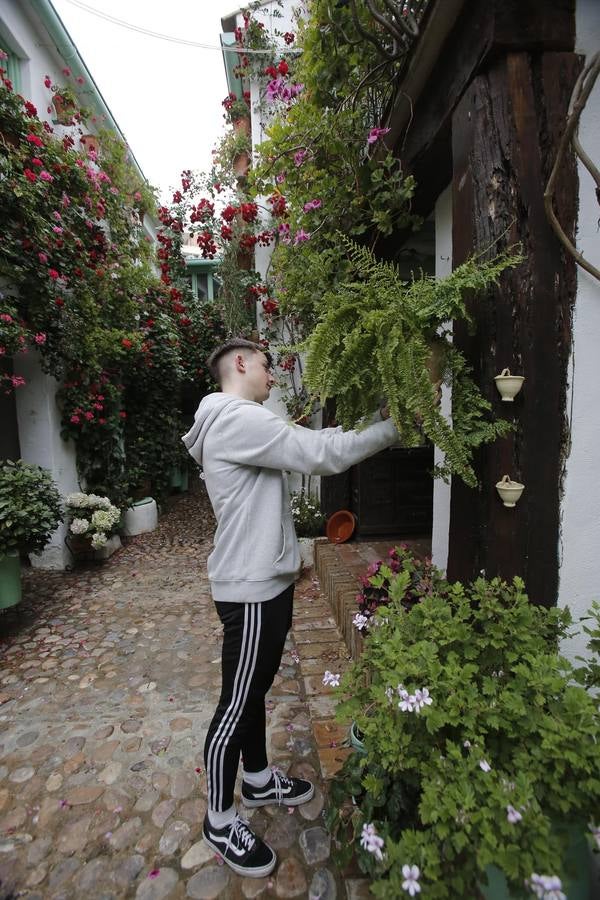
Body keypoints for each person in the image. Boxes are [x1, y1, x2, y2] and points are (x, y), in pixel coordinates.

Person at [182, 337, 400, 878]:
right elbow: (319, 453)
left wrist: (376, 415)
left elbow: (310, 441)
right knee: (236, 703)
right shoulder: (235, 418)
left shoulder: (237, 419)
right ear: (238, 364)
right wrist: (395, 428)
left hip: (264, 582)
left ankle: (256, 779)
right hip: (250, 588)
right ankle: (218, 818)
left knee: (252, 691)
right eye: (265, 365)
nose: (272, 376)